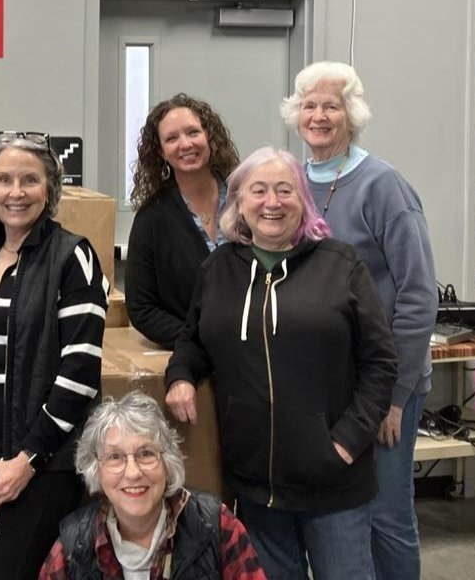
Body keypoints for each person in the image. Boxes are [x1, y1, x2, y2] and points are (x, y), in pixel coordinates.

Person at [164, 146, 396, 580]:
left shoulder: (340, 264)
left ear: (303, 201)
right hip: (255, 488)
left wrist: (344, 443)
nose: (272, 202)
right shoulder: (218, 269)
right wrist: (180, 376)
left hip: (333, 483)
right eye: (259, 191)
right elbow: (193, 338)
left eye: (285, 190)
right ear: (239, 203)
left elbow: (380, 363)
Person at [281, 62, 438, 580]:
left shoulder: (384, 186)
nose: (319, 116)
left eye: (331, 106)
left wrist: (395, 397)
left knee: (386, 515)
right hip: (326, 383)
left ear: (352, 115)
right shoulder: (293, 182)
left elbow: (417, 295)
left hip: (385, 382)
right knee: (340, 512)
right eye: (309, 105)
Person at [0, 131, 108, 580]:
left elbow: (80, 372)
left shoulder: (72, 256)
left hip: (40, 459)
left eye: (29, 180)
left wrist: (27, 460)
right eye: (3, 180)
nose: (15, 193)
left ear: (50, 189)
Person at [38, 391, 267, 580]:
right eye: (115, 457)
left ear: (167, 463)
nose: (133, 473)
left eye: (146, 454)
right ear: (95, 470)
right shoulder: (73, 546)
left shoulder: (216, 525)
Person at [127, 95, 241, 348]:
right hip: (192, 356)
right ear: (160, 151)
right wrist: (197, 340)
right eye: (171, 138)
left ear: (209, 136)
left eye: (193, 132)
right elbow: (141, 307)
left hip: (256, 350)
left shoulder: (246, 201)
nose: (185, 144)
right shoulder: (151, 219)